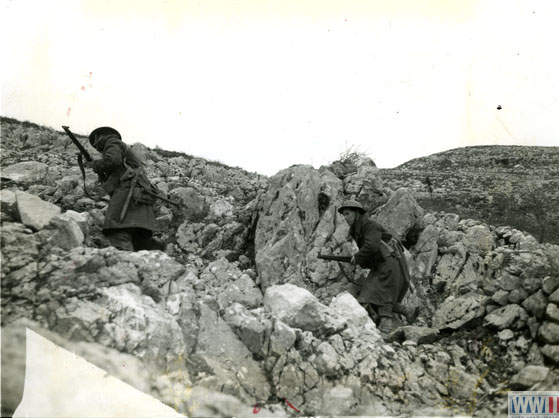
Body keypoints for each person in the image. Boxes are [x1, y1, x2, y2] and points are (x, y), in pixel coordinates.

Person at [338, 200, 418, 336]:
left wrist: (357, 257)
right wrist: (360, 260)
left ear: (357, 213)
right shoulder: (358, 228)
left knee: (380, 295)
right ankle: (408, 311)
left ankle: (385, 330)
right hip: (382, 264)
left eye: (347, 214)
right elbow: (371, 252)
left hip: (389, 263)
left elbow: (371, 246)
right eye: (344, 215)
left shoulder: (369, 225)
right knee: (373, 294)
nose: (345, 218)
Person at [85, 126, 162, 251]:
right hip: (138, 194)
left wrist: (95, 164)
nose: (95, 144)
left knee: (116, 229)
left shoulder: (112, 142)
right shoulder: (120, 146)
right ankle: (156, 252)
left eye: (95, 139)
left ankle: (126, 261)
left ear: (101, 136)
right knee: (137, 237)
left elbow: (112, 161)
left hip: (129, 192)